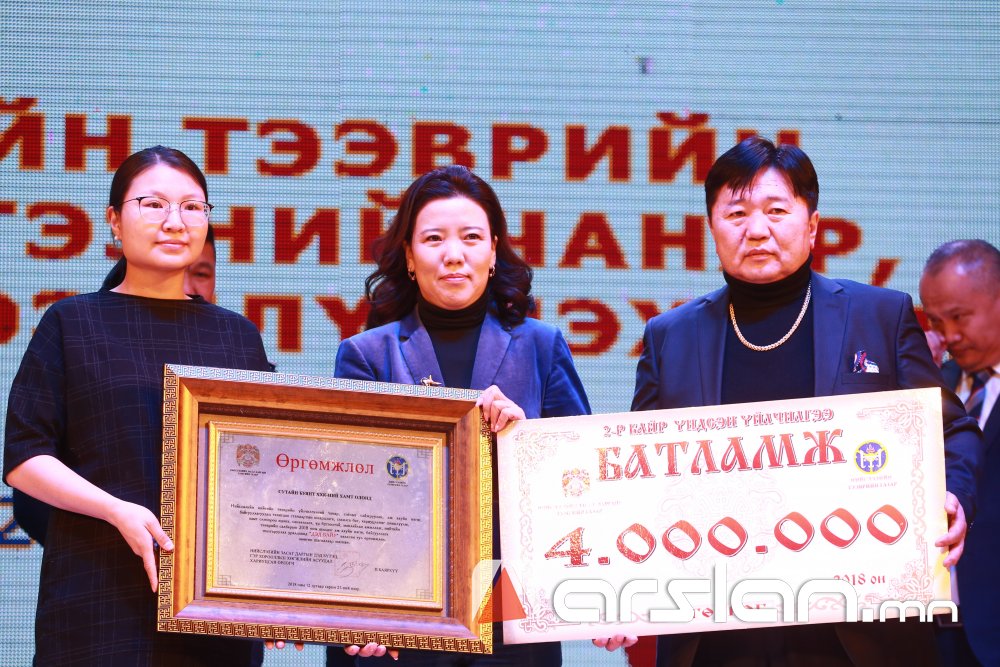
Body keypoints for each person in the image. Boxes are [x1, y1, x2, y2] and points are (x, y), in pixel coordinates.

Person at [617, 137, 982, 667]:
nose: (756, 229)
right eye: (736, 213)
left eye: (776, 211)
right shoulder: (669, 336)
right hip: (716, 637)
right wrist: (616, 588)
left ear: (811, 225)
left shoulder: (879, 316)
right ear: (711, 227)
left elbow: (953, 431)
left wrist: (954, 496)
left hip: (861, 635)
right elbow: (634, 479)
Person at [3, 146, 273, 666]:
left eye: (192, 207)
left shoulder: (237, 336)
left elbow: (268, 474)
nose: (175, 221)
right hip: (97, 594)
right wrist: (115, 510)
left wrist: (285, 591)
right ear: (114, 221)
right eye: (153, 204)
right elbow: (25, 457)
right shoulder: (72, 323)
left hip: (214, 612)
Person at [327, 164, 591, 666]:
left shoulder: (540, 345)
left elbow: (583, 482)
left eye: (471, 237)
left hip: (511, 612)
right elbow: (342, 493)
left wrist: (526, 442)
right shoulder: (366, 354)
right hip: (399, 613)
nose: (454, 254)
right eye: (433, 239)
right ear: (409, 256)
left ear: (493, 250)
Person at [11, 226, 220, 546]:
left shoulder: (237, 347)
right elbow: (28, 478)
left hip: (206, 566)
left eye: (202, 274)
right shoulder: (77, 331)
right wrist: (106, 528)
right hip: (102, 562)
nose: (186, 284)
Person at [920, 240, 1000, 667]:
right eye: (935, 321)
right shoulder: (931, 385)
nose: (948, 335)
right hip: (931, 634)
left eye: (959, 317)